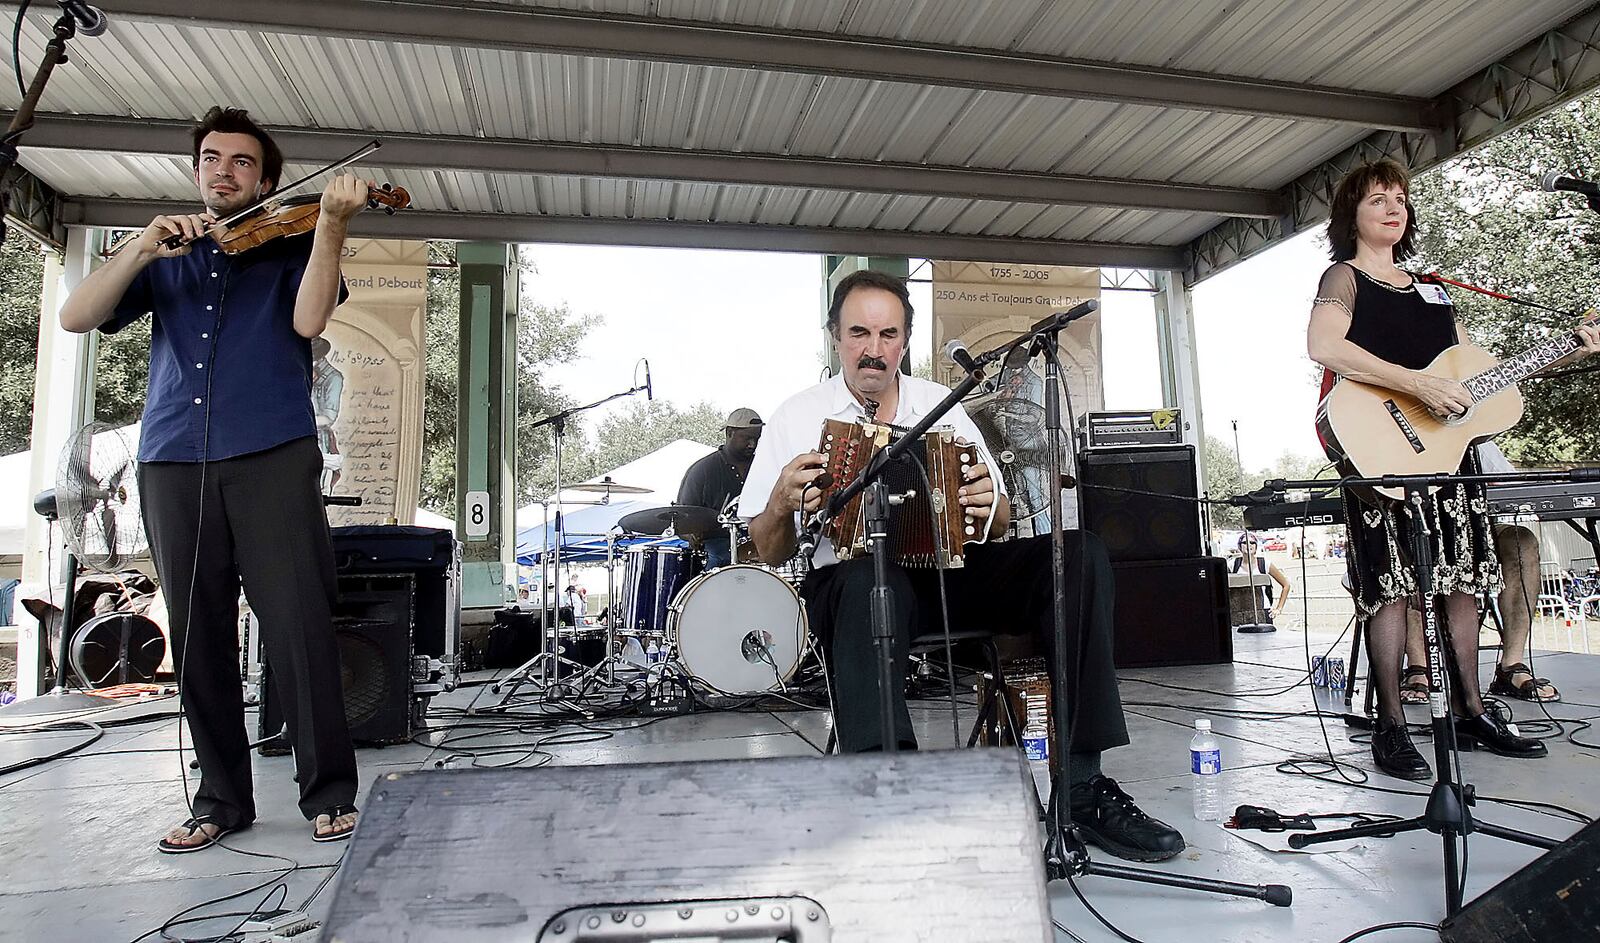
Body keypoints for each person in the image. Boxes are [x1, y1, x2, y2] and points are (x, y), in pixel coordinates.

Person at [739, 269, 1183, 863]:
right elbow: (765, 549)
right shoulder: (797, 414)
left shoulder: (938, 406)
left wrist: (985, 502)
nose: (874, 349)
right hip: (849, 581)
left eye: (889, 334)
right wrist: (780, 502)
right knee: (866, 577)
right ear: (835, 337)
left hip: (948, 575)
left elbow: (997, 521)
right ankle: (886, 790)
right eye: (859, 333)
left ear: (905, 341)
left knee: (1077, 555)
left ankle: (1080, 787)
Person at [59, 106, 372, 851]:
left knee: (297, 623)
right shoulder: (165, 254)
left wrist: (331, 224)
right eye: (210, 159)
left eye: (240, 162)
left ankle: (328, 789)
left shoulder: (294, 241)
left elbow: (308, 321)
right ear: (197, 171)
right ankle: (221, 799)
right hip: (172, 458)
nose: (222, 171)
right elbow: (76, 315)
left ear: (265, 180)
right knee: (197, 634)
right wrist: (139, 248)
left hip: (270, 450)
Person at [1306, 159, 1598, 779]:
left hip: (1450, 456)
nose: (1394, 208)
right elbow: (1325, 346)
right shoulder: (1344, 277)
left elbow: (1472, 381)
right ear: (1351, 215)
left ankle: (1470, 707)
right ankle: (1390, 725)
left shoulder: (1433, 289)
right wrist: (1415, 384)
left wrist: (1567, 349)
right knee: (1390, 586)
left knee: (1464, 579)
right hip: (1379, 450)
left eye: (1401, 199)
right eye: (1378, 199)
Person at [677, 408, 764, 568]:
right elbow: (682, 519)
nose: (753, 444)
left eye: (757, 439)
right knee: (717, 557)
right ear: (730, 433)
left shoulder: (763, 468)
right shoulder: (702, 470)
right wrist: (691, 536)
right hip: (717, 544)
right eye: (747, 438)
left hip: (758, 540)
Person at [1231, 534, 1291, 622]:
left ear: (1256, 546)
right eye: (1245, 542)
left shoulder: (1265, 564)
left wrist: (1279, 609)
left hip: (1263, 610)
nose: (1249, 545)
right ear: (1239, 546)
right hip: (1239, 613)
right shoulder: (1232, 564)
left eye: (1252, 543)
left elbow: (1286, 585)